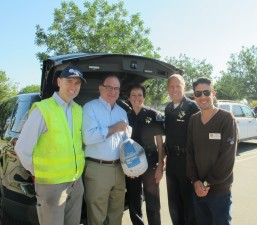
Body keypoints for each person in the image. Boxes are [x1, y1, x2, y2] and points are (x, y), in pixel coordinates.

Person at [15, 66, 86, 225]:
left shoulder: (78, 110)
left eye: (77, 83)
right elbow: (22, 148)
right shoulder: (43, 109)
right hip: (51, 185)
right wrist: (37, 172)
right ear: (59, 82)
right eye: (69, 81)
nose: (73, 87)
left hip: (75, 182)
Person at [186, 77, 238, 225]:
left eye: (206, 92)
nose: (202, 97)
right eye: (198, 93)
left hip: (219, 192)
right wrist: (195, 181)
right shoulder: (193, 120)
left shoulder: (226, 119)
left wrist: (207, 183)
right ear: (194, 96)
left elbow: (227, 158)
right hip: (198, 190)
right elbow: (190, 152)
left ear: (213, 93)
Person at [82, 75, 128, 225]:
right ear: (101, 88)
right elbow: (88, 138)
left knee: (116, 214)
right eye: (109, 87)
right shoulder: (90, 108)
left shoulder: (122, 112)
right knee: (97, 216)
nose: (112, 91)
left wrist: (131, 166)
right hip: (97, 169)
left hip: (119, 169)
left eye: (116, 88)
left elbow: (125, 142)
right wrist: (115, 128)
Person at [125, 84, 164, 225]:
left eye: (140, 95)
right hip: (132, 164)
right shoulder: (125, 116)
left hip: (151, 162)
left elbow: (159, 142)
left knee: (153, 201)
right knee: (134, 201)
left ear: (144, 97)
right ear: (129, 98)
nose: (137, 98)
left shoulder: (153, 115)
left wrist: (160, 165)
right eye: (133, 95)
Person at [164, 74, 199, 225]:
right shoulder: (168, 108)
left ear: (184, 88)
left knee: (189, 204)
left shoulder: (192, 107)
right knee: (173, 202)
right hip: (172, 161)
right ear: (168, 89)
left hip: (187, 162)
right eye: (171, 86)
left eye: (178, 86)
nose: (175, 89)